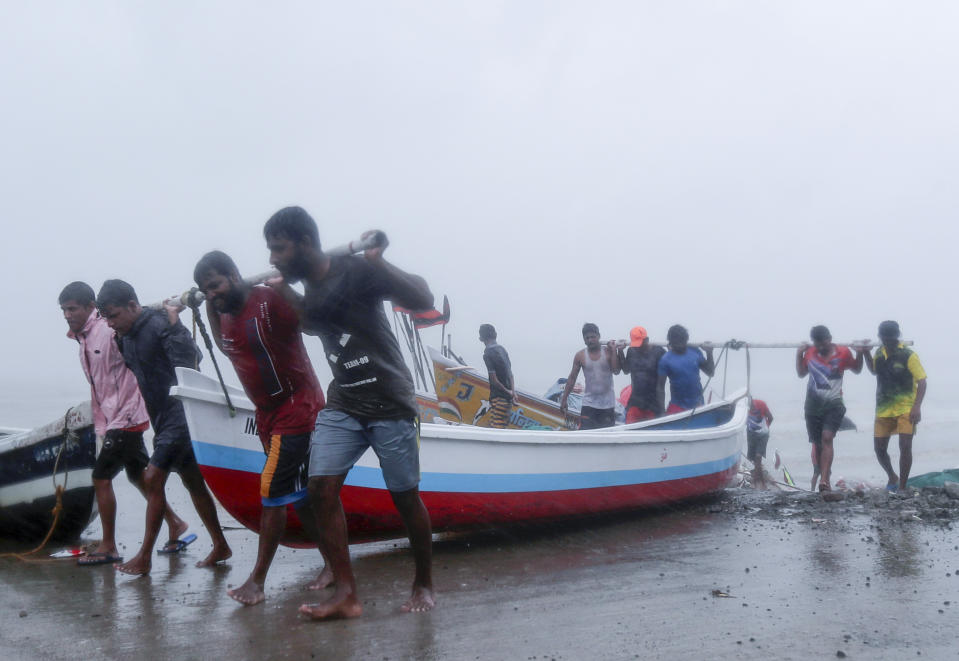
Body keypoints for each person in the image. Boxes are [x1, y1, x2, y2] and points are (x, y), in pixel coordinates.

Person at [262, 206, 435, 619]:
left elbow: (423, 298)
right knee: (320, 489)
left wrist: (381, 263)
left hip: (389, 400)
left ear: (304, 243)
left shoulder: (356, 271)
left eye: (279, 249)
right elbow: (312, 320)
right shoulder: (313, 289)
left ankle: (424, 582)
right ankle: (347, 594)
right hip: (344, 401)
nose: (272, 258)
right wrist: (282, 289)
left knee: (404, 496)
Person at [194, 251, 329, 605]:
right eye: (204, 290)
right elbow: (226, 349)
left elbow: (311, 322)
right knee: (298, 497)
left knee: (271, 489)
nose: (211, 294)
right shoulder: (222, 315)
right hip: (267, 415)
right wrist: (210, 303)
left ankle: (257, 581)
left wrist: (289, 288)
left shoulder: (267, 301)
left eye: (215, 285)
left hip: (298, 409)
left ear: (235, 275)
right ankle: (333, 563)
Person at [96, 279, 232, 575]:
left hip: (181, 416)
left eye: (114, 315)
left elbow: (191, 361)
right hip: (162, 419)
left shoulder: (159, 323)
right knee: (193, 482)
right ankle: (221, 544)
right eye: (105, 318)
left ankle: (144, 556)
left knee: (152, 478)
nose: (110, 323)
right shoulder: (124, 337)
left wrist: (175, 327)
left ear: (133, 305)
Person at [59, 282, 188, 566]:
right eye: (64, 310)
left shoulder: (106, 330)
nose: (67, 315)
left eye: (72, 308)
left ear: (91, 308)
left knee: (101, 477)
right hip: (110, 416)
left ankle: (109, 546)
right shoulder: (82, 338)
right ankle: (175, 523)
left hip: (128, 413)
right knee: (137, 476)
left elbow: (136, 341)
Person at [796, 325, 864, 493]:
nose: (820, 347)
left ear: (829, 339)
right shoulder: (810, 353)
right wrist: (799, 354)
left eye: (823, 343)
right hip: (812, 405)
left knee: (827, 438)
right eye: (817, 344)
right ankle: (823, 473)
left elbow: (857, 369)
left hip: (834, 403)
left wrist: (860, 353)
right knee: (817, 443)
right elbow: (801, 373)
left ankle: (824, 480)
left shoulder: (843, 352)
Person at [861, 320, 927, 493]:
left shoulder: (908, 355)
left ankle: (902, 487)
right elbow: (875, 370)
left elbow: (922, 382)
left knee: (905, 446)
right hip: (883, 408)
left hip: (906, 407)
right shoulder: (879, 353)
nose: (887, 341)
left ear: (896, 337)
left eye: (891, 338)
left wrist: (916, 407)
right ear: (880, 337)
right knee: (879, 449)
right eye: (884, 338)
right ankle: (892, 476)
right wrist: (866, 354)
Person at [559, 323, 620, 429]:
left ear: (599, 336)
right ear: (584, 339)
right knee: (585, 435)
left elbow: (616, 371)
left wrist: (614, 350)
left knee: (607, 439)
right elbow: (572, 378)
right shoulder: (580, 356)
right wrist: (564, 399)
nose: (590, 340)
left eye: (593, 337)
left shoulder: (608, 352)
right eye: (587, 338)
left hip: (608, 405)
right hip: (589, 405)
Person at [656, 325, 715, 414]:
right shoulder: (665, 360)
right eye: (676, 342)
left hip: (698, 405)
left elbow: (710, 373)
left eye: (682, 341)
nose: (680, 344)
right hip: (677, 406)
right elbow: (660, 388)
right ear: (671, 342)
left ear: (686, 339)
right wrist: (661, 412)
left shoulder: (695, 351)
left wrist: (709, 352)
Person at [616, 326, 665, 423]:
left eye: (640, 344)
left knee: (652, 433)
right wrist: (620, 351)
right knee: (630, 432)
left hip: (653, 404)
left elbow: (666, 374)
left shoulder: (659, 352)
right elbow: (626, 370)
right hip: (635, 402)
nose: (638, 347)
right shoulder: (632, 350)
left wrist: (662, 408)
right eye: (636, 345)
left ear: (647, 340)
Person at [478, 324, 515, 429]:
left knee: (496, 429)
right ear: (495, 335)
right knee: (501, 427)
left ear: (481, 338)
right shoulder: (503, 350)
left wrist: (507, 392)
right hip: (508, 398)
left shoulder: (488, 354)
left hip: (498, 397)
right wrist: (512, 393)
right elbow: (510, 374)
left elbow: (494, 380)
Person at [746, 397, 774, 489]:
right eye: (750, 407)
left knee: (758, 457)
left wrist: (765, 427)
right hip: (751, 434)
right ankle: (761, 478)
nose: (752, 408)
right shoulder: (743, 408)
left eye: (752, 406)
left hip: (763, 434)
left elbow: (770, 417)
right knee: (753, 458)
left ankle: (757, 482)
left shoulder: (761, 404)